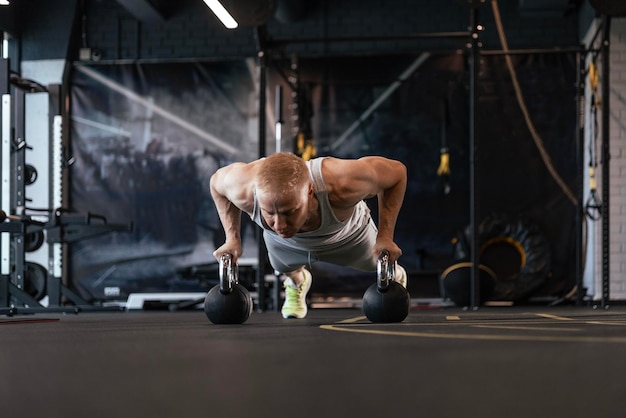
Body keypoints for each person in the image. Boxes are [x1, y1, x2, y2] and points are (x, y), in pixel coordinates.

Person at [210, 152, 408, 319]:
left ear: (310, 191)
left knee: (376, 265)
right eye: (269, 212)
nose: (279, 224)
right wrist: (232, 239)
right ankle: (297, 282)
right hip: (285, 246)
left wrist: (385, 237)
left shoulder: (342, 181)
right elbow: (216, 185)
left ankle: (395, 273)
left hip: (350, 237)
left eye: (289, 211)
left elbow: (397, 173)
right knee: (282, 267)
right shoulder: (242, 187)